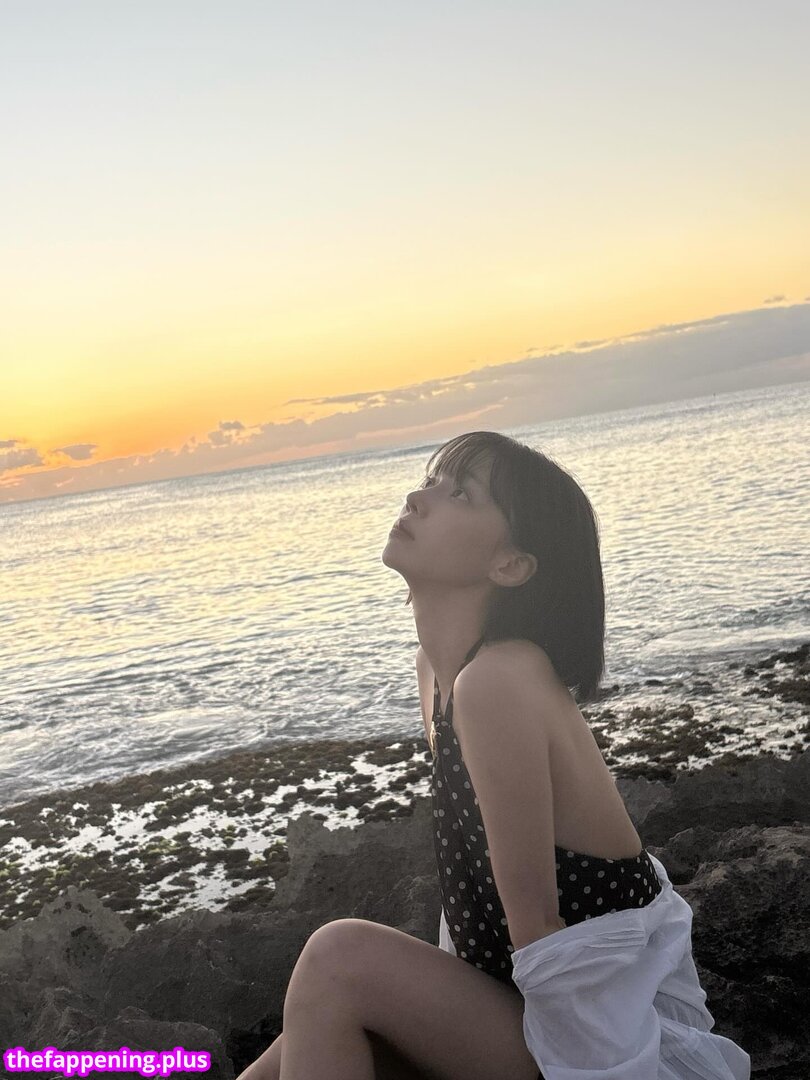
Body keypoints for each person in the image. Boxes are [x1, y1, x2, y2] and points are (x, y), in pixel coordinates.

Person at [236, 430, 750, 1080]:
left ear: (510, 565)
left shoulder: (498, 680)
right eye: (431, 481)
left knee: (337, 959)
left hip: (589, 1028)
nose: (418, 498)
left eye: (461, 494)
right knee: (275, 1062)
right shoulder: (437, 672)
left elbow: (536, 923)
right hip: (517, 1003)